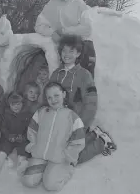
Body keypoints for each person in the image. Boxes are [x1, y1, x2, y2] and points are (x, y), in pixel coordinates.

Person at [50, 35, 116, 163]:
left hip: (77, 122)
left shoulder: (84, 75)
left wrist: (82, 126)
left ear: (78, 53)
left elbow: (91, 104)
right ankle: (93, 135)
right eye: (64, 50)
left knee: (70, 158)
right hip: (59, 123)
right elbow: (47, 98)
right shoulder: (56, 74)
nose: (67, 54)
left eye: (71, 51)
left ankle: (102, 142)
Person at [21, 82, 85, 191]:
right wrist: (33, 146)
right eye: (49, 97)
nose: (53, 100)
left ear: (64, 94)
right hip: (40, 155)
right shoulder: (41, 112)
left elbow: (78, 141)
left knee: (51, 185)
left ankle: (67, 168)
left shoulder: (72, 116)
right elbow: (32, 130)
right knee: (28, 181)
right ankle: (45, 167)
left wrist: (67, 156)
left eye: (56, 95)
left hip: (59, 158)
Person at [35, 0, 96, 77]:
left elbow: (87, 28)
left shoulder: (79, 4)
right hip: (62, 45)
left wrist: (64, 31)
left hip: (82, 44)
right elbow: (38, 26)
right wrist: (52, 33)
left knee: (82, 77)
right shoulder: (51, 4)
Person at [0, 92, 32, 175]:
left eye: (18, 104)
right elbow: (3, 127)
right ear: (9, 104)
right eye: (13, 104)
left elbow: (29, 129)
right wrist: (8, 136)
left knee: (23, 148)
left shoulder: (27, 114)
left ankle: (22, 163)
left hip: (21, 137)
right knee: (4, 146)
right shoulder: (6, 114)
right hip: (10, 137)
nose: (16, 106)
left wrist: (24, 137)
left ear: (22, 103)